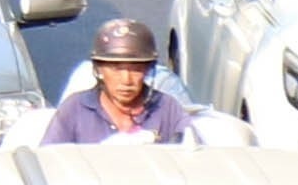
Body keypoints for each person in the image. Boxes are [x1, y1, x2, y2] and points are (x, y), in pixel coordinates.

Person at [41, 17, 194, 144]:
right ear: (99, 69)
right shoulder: (74, 109)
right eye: (116, 69)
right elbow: (50, 162)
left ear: (148, 69)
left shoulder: (168, 108)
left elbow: (192, 158)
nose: (126, 80)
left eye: (136, 69)